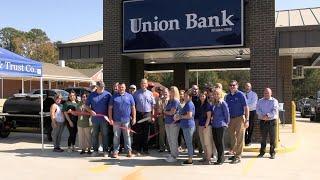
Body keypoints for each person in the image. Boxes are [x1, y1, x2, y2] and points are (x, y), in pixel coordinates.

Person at [108, 83, 136, 158]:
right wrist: (110, 119)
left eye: (122, 87)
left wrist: (134, 118)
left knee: (127, 136)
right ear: (118, 88)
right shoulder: (114, 96)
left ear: (125, 87)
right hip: (116, 121)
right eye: (120, 87)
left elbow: (133, 108)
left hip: (126, 121)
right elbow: (110, 108)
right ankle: (115, 151)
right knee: (116, 136)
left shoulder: (129, 96)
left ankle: (129, 151)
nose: (121, 88)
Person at [85, 80, 112, 157]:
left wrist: (110, 118)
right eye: (100, 87)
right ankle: (95, 151)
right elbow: (86, 106)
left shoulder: (108, 94)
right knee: (94, 135)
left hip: (105, 120)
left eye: (103, 87)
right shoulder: (91, 95)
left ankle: (105, 151)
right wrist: (91, 111)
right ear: (96, 87)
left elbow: (111, 107)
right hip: (95, 120)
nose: (102, 88)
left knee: (105, 135)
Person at [225, 80, 249, 164]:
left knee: (239, 137)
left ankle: (238, 156)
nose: (232, 86)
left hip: (239, 118)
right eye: (230, 85)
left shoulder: (241, 94)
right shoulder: (227, 96)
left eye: (234, 85)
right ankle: (234, 154)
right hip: (230, 119)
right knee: (232, 137)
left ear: (237, 86)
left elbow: (246, 108)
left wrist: (247, 120)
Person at [133, 78, 155, 155]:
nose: (143, 85)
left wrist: (152, 116)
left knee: (146, 133)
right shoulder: (136, 93)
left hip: (147, 114)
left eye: (145, 83)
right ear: (140, 84)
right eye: (142, 83)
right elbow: (133, 105)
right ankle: (138, 149)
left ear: (147, 84)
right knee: (138, 132)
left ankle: (145, 149)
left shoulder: (150, 93)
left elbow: (153, 105)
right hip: (139, 114)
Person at [174, 89, 195, 165]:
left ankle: (190, 160)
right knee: (188, 143)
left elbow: (189, 115)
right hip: (186, 126)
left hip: (188, 126)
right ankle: (190, 158)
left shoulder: (189, 104)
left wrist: (180, 117)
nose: (185, 97)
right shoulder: (187, 103)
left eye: (187, 96)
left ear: (190, 97)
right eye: (185, 96)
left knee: (189, 143)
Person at [256, 88, 279, 159]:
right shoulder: (260, 101)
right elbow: (258, 109)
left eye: (268, 93)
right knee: (263, 138)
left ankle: (272, 153)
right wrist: (263, 116)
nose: (266, 94)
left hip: (272, 121)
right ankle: (262, 152)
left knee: (272, 138)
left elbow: (275, 110)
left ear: (271, 93)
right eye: (265, 93)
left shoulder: (274, 101)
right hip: (263, 122)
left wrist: (267, 115)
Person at [210, 89, 230, 165]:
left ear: (220, 95)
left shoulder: (223, 103)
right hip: (214, 125)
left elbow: (227, 114)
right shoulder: (214, 103)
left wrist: (226, 123)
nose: (216, 95)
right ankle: (220, 158)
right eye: (214, 94)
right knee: (216, 142)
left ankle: (221, 159)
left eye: (217, 94)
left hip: (221, 125)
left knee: (220, 142)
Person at [198, 92, 216, 164]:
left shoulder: (207, 105)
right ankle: (205, 157)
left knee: (207, 143)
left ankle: (208, 159)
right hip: (200, 125)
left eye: (203, 96)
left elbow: (209, 117)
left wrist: (206, 126)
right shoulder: (200, 105)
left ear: (206, 97)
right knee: (203, 143)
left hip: (206, 126)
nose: (202, 97)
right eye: (201, 96)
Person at [164, 86, 180, 162]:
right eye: (170, 90)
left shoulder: (175, 101)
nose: (171, 92)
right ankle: (173, 154)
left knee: (173, 140)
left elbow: (172, 112)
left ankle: (174, 156)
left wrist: (164, 112)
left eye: (173, 91)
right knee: (170, 139)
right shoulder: (170, 100)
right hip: (167, 122)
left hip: (173, 123)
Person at [191, 85, 203, 155]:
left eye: (196, 89)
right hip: (191, 119)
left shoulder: (200, 98)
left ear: (198, 90)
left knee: (199, 136)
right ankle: (191, 151)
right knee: (192, 136)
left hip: (198, 119)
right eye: (193, 89)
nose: (195, 90)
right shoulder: (190, 98)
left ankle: (200, 150)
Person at [156, 88, 169, 152]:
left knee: (169, 134)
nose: (165, 93)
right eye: (164, 92)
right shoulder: (159, 100)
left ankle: (169, 147)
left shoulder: (170, 100)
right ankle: (162, 147)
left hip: (169, 119)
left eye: (166, 92)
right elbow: (159, 110)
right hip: (161, 119)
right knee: (162, 134)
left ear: (168, 92)